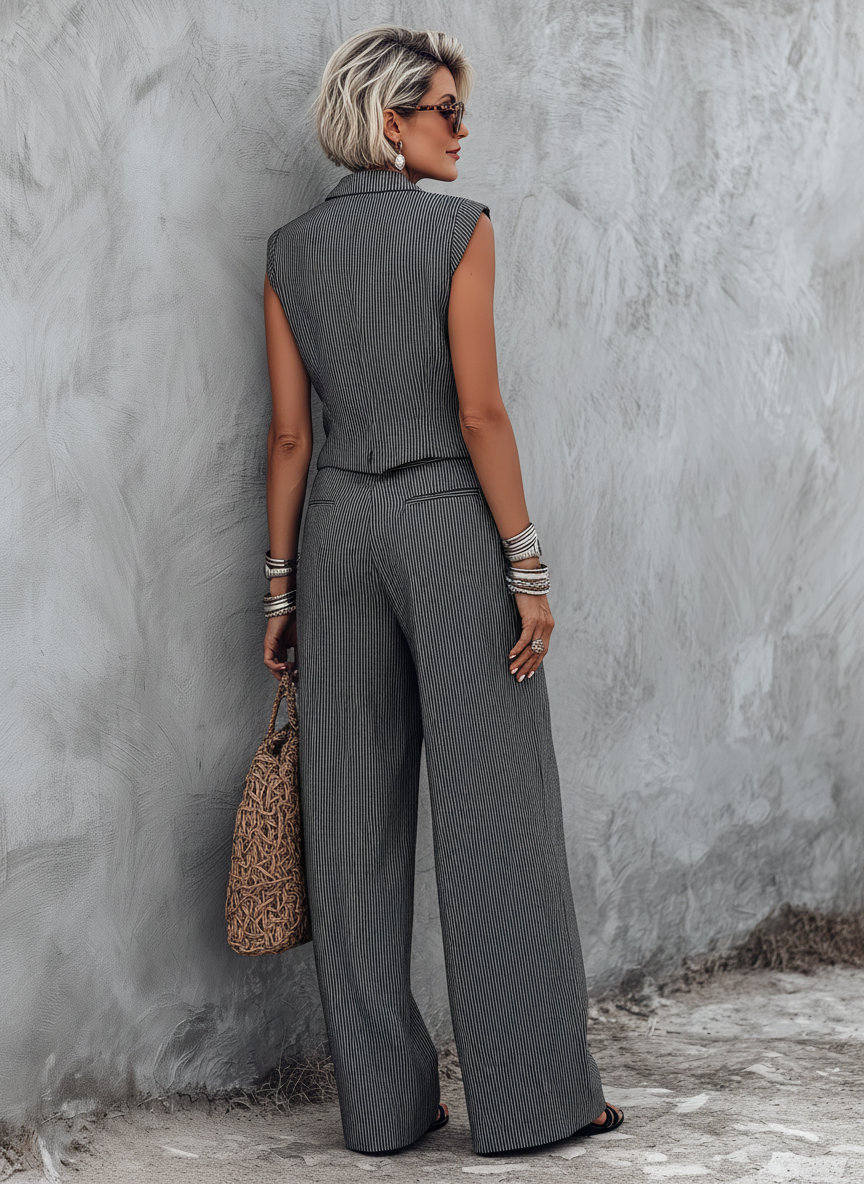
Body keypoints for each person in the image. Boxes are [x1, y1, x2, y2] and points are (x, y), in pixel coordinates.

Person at [259, 24, 623, 1158]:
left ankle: (383, 1109)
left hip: (334, 537)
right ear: (390, 122)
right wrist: (528, 566)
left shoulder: (289, 250)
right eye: (447, 111)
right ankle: (536, 1100)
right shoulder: (460, 231)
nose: (464, 130)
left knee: (350, 821)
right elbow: (479, 412)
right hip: (446, 524)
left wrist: (279, 592)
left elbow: (289, 437)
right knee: (496, 808)